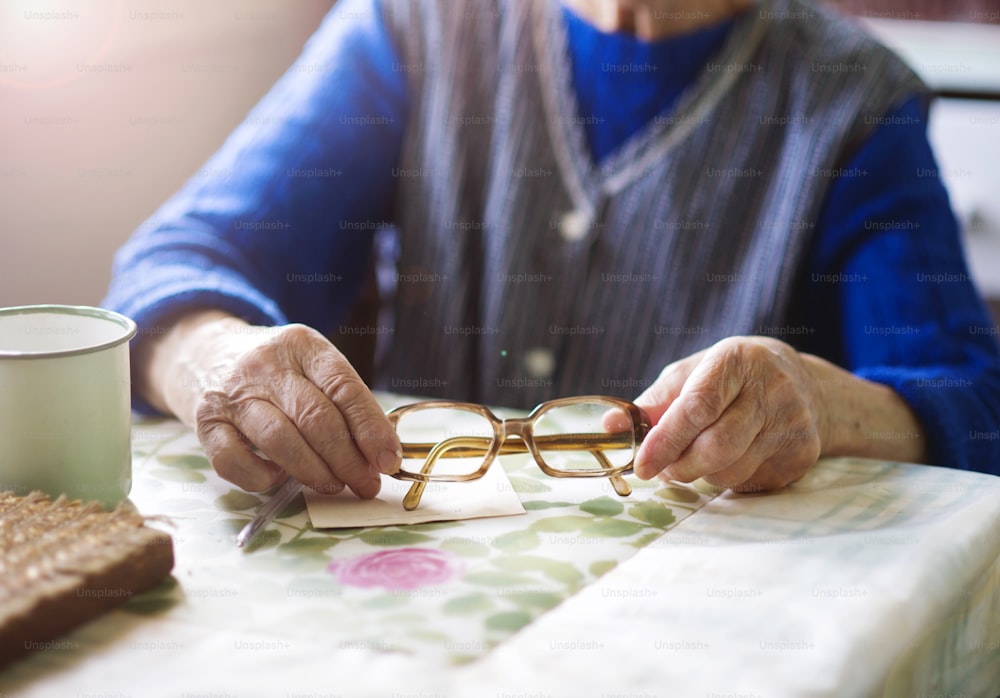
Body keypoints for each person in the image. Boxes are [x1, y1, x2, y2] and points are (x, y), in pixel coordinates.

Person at [103, 0, 1000, 501]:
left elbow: (973, 404)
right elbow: (171, 267)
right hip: (412, 598)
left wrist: (818, 402)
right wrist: (219, 360)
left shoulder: (852, 99)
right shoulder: (414, 28)